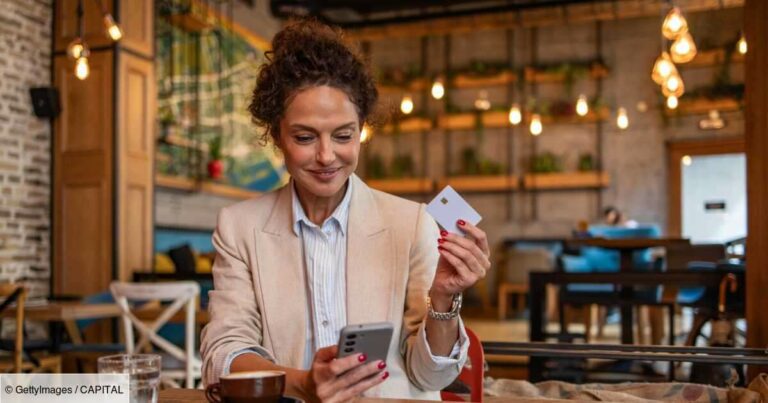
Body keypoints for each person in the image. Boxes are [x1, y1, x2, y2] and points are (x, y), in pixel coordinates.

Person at [200, 19, 490, 402]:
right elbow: (223, 354)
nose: (325, 156)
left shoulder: (411, 223)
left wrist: (442, 301)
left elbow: (430, 376)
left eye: (343, 135)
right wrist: (303, 383)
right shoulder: (239, 226)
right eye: (304, 137)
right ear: (276, 135)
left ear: (361, 130)